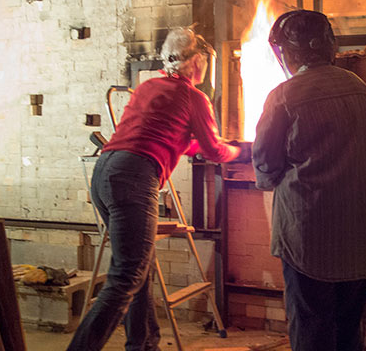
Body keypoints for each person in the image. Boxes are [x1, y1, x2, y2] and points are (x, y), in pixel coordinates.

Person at [68, 27, 240, 351]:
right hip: (134, 177)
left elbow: (166, 135)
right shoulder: (194, 97)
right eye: (204, 60)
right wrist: (240, 151)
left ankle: (144, 345)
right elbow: (214, 150)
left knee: (139, 269)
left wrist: (197, 145)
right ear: (196, 61)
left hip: (105, 172)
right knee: (126, 277)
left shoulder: (148, 87)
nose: (205, 67)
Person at [252, 10, 366, 351]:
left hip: (310, 239)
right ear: (329, 46)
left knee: (312, 331)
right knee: (348, 331)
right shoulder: (362, 90)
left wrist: (271, 178)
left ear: (289, 52)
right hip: (360, 239)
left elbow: (265, 164)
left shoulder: (285, 95)